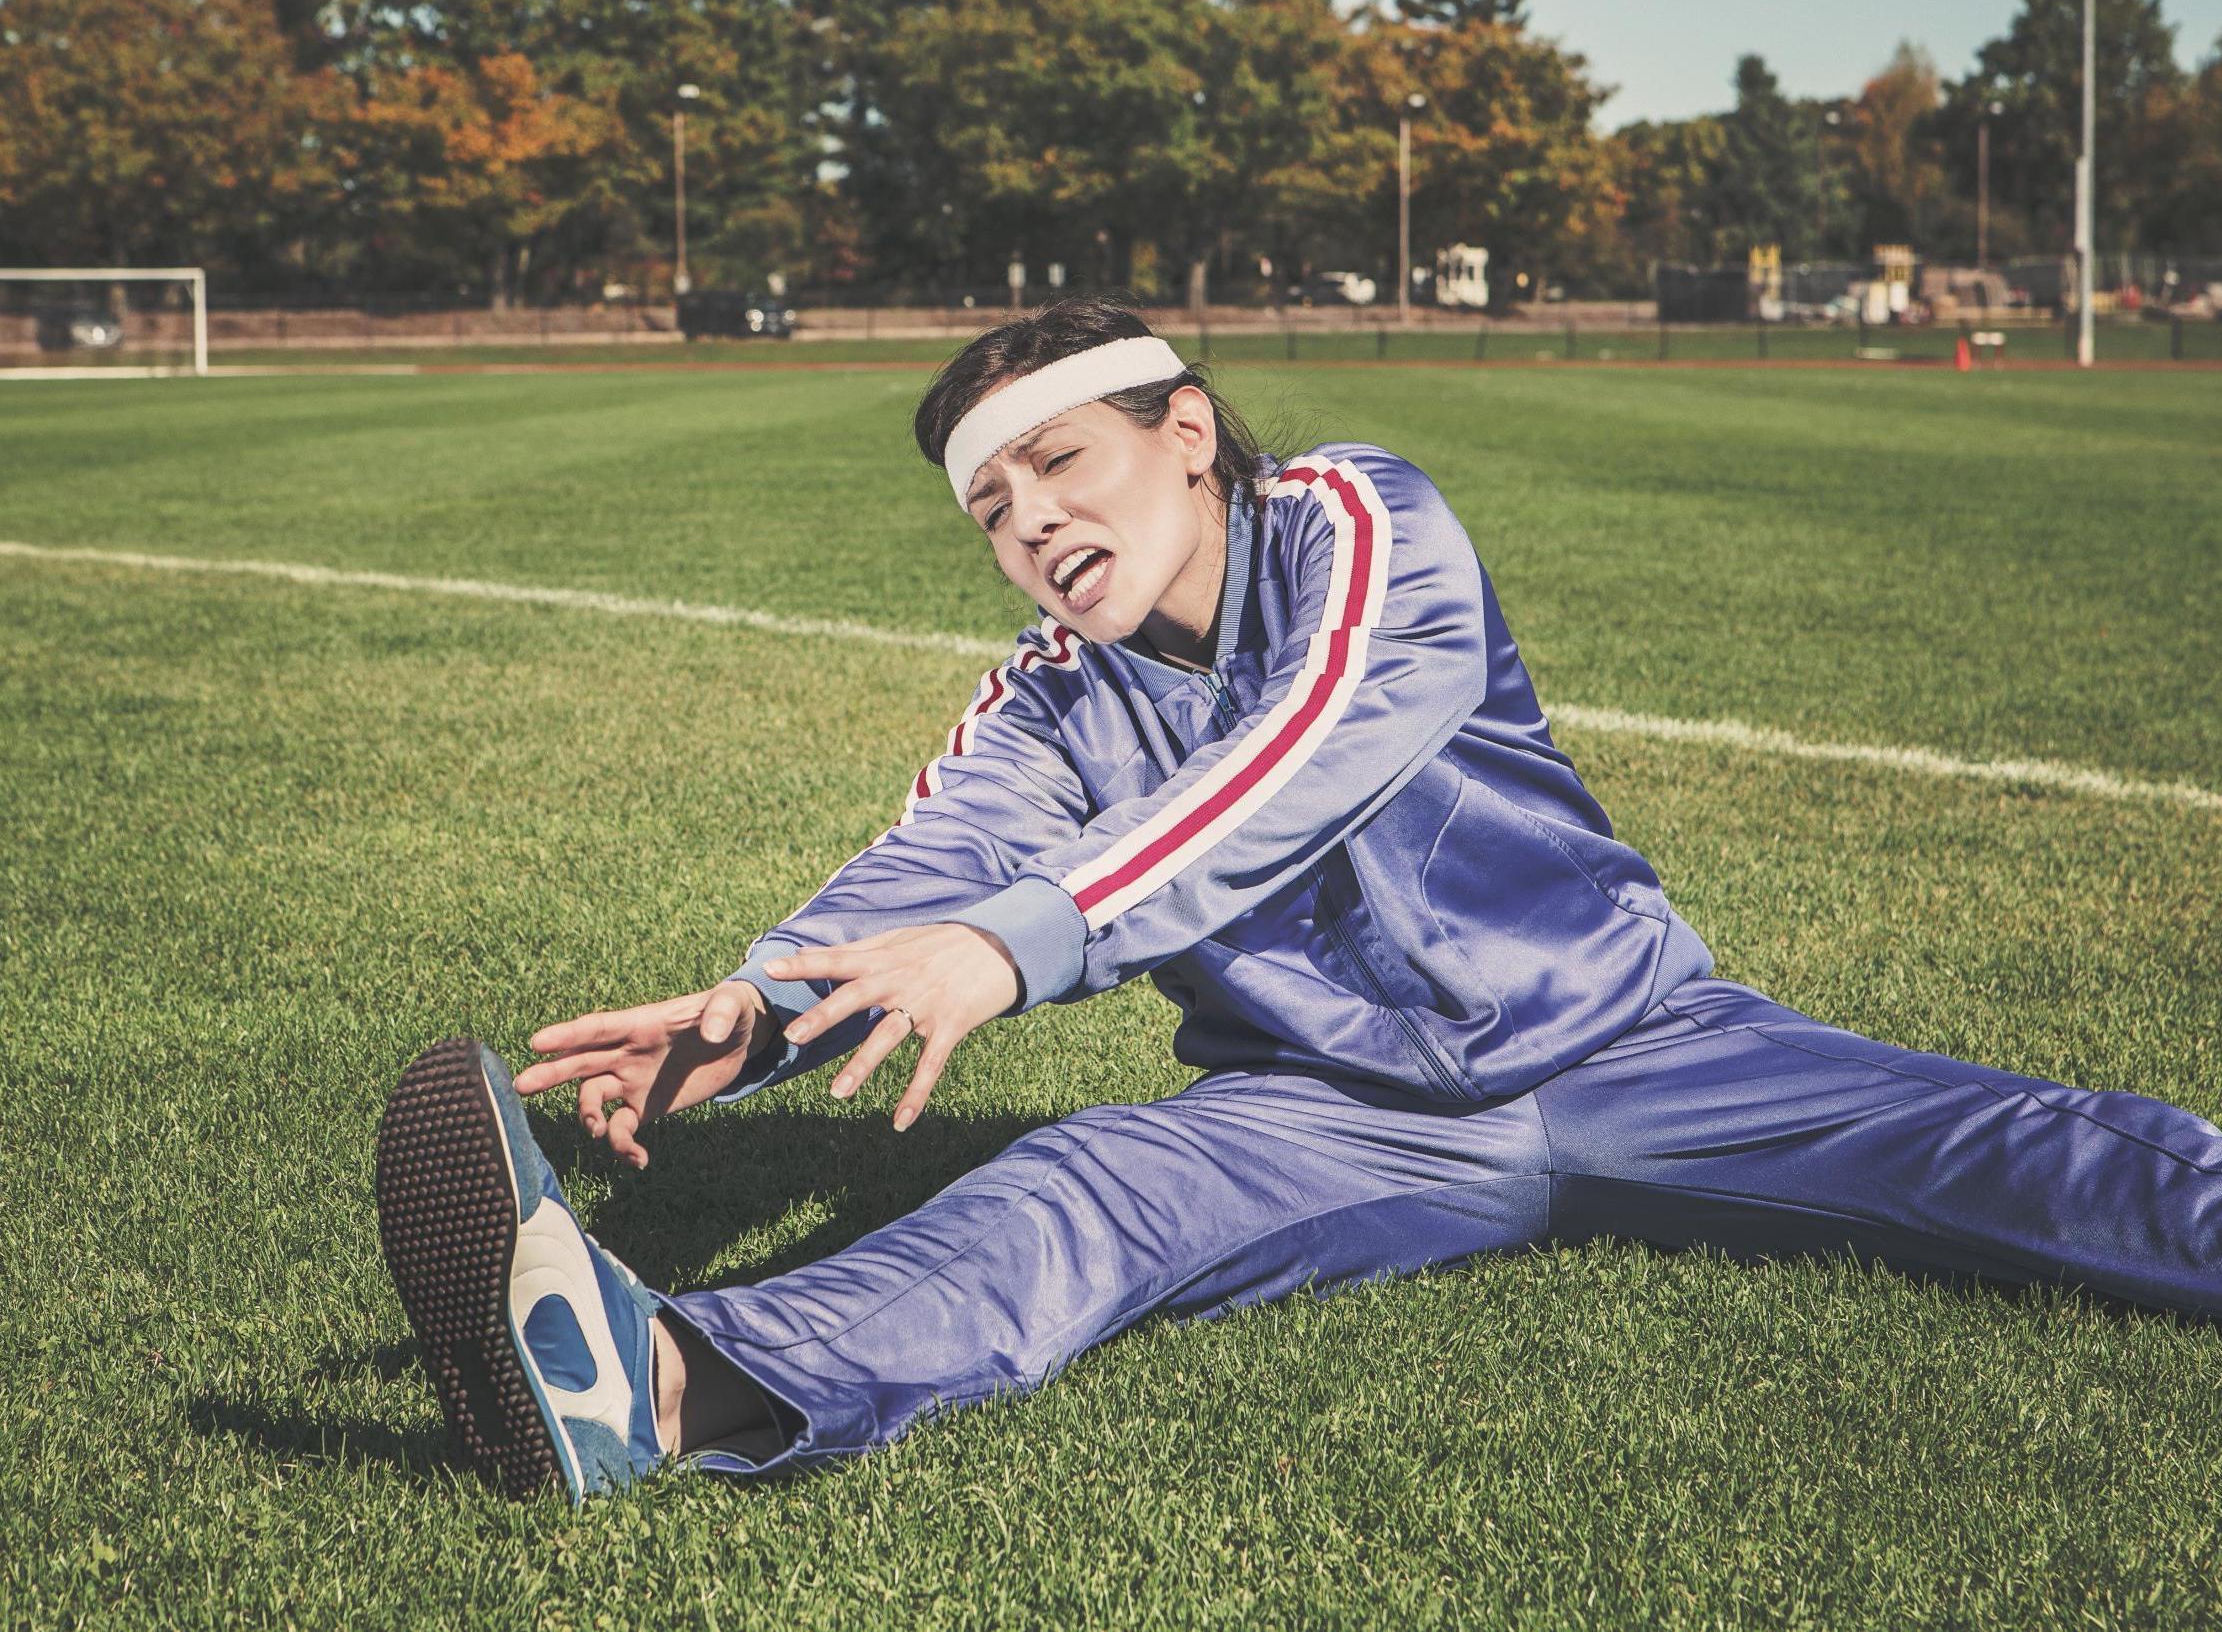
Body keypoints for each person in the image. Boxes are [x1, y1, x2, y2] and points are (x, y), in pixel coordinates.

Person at [374, 293, 2222, 1506]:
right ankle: (661, 1383)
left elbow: (1314, 742)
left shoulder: (1354, 518)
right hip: (1330, 1119)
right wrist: (759, 1013)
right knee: (1073, 1192)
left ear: (1186, 431)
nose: (1029, 524)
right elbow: (928, 869)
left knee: (2023, 1155)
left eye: (1059, 463)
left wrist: (1015, 950)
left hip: (1639, 1044)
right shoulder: (1045, 692)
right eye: (991, 507)